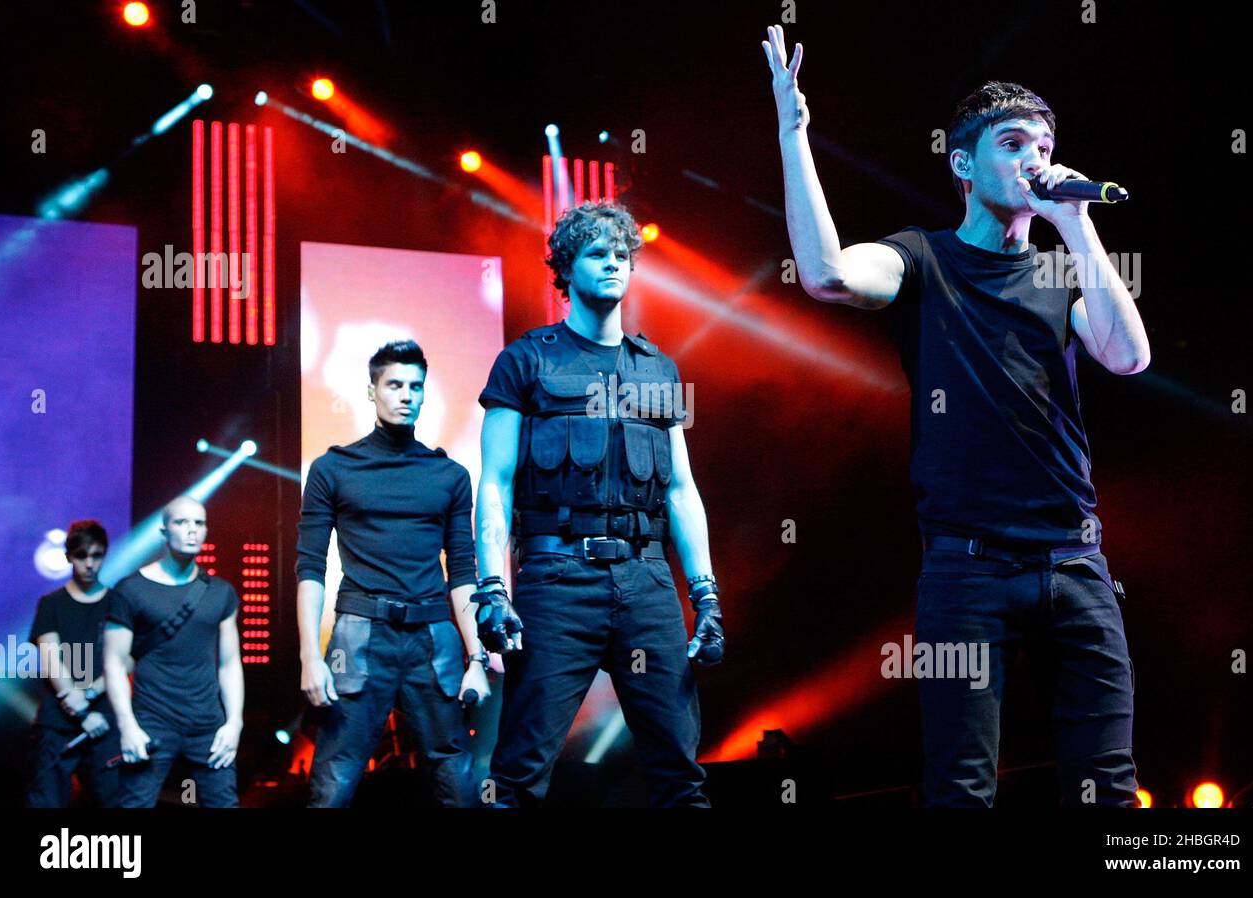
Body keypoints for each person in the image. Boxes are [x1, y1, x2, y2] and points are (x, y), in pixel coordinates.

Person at [762, 25, 1150, 807]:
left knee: (1108, 788)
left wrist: (1076, 224)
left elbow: (1127, 356)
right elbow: (829, 275)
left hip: (1075, 564)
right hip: (968, 570)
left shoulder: (1056, 270)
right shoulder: (923, 257)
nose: (1036, 160)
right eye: (1014, 144)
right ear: (965, 165)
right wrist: (792, 132)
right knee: (963, 790)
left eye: (1045, 146)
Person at [474, 201, 724, 807]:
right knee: (518, 776)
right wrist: (491, 588)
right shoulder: (525, 361)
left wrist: (706, 593)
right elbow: (495, 482)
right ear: (564, 268)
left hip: (646, 583)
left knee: (680, 776)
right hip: (558, 581)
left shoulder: (659, 370)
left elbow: (681, 489)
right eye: (596, 253)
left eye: (621, 255)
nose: (613, 264)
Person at [296, 339, 485, 807]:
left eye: (415, 387)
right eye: (394, 384)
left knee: (455, 773)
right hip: (361, 636)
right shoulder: (333, 469)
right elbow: (310, 567)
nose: (406, 395)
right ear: (372, 391)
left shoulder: (450, 476)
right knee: (336, 773)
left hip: (433, 635)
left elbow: (463, 571)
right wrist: (309, 656)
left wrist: (478, 658)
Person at [104, 496, 244, 807]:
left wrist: (234, 722)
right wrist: (127, 726)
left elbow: (230, 663)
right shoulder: (131, 590)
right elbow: (113, 663)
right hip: (152, 721)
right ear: (164, 531)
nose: (192, 530)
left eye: (199, 523)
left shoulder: (221, 592)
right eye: (182, 522)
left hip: (208, 723)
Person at [25, 520, 120, 807]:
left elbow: (124, 658)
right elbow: (51, 660)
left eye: (96, 555)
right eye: (81, 556)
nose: (89, 564)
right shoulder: (51, 604)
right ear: (68, 556)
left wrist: (90, 695)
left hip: (104, 722)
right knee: (47, 802)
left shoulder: (118, 603)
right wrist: (79, 708)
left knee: (114, 802)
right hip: (58, 723)